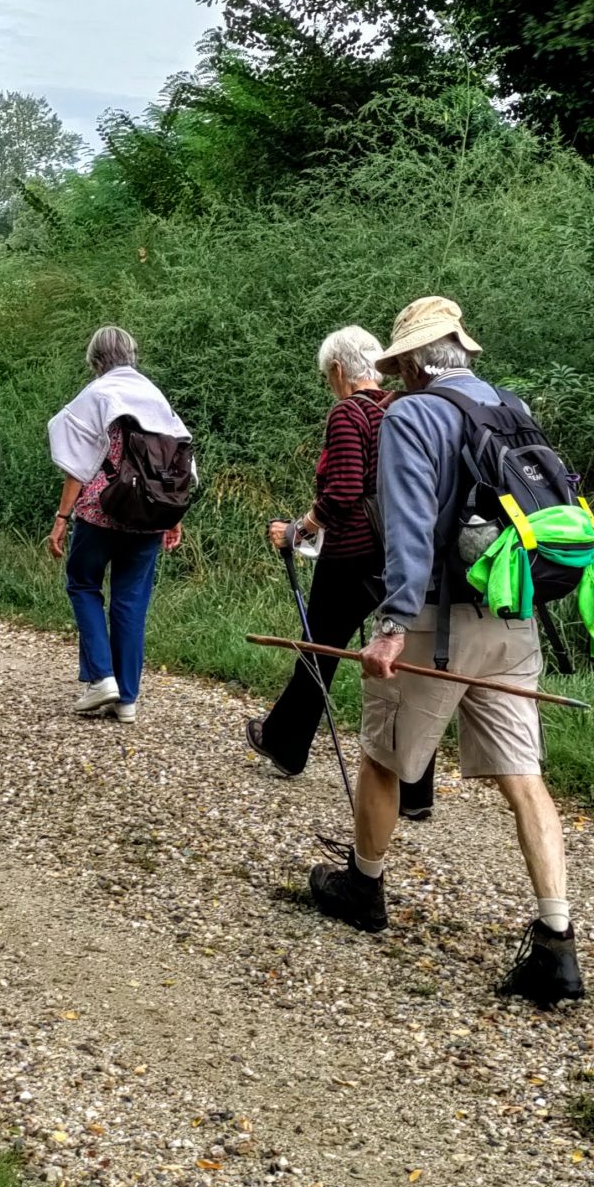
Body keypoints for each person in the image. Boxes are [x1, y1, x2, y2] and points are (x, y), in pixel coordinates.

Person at [306, 295, 586, 1008]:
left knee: (383, 755)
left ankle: (363, 887)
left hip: (439, 621)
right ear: (460, 354)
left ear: (409, 365)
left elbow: (406, 524)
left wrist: (394, 625)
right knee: (525, 776)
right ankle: (557, 940)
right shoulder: (509, 406)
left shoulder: (410, 414)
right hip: (514, 613)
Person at [246, 325, 432, 818]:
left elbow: (343, 490)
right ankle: (415, 791)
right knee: (403, 665)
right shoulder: (402, 408)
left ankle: (285, 745)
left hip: (352, 554)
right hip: (403, 553)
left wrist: (298, 531)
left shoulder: (350, 412)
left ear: (338, 371)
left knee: (319, 649)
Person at [47, 326, 191, 725]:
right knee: (131, 601)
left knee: (82, 583)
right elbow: (181, 460)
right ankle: (126, 698)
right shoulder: (155, 396)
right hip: (148, 517)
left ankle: (101, 678)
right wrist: (173, 517)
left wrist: (61, 518)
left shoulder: (97, 394)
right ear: (132, 355)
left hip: (100, 511)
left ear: (95, 361)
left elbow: (76, 463)